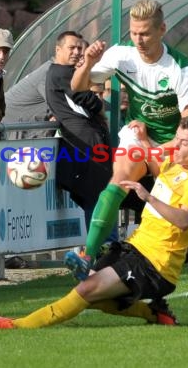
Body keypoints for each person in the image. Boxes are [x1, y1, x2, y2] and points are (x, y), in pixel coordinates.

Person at [0, 116, 188, 329]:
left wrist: (148, 198)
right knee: (91, 295)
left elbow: (187, 220)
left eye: (184, 143)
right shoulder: (177, 161)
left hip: (156, 265)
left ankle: (17, 325)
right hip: (134, 247)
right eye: (176, 138)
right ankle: (153, 313)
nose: (175, 146)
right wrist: (143, 139)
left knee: (87, 290)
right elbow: (159, 168)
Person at [68, 0, 188, 267]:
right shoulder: (122, 54)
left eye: (145, 33)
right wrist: (88, 63)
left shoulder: (181, 68)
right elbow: (77, 86)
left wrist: (154, 147)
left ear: (162, 29)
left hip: (173, 144)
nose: (138, 39)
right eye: (133, 32)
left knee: (181, 215)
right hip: (135, 134)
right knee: (116, 182)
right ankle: (88, 255)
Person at [45, 31, 115, 241]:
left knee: (97, 198)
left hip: (84, 141)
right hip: (86, 145)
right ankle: (106, 246)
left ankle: (105, 246)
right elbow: (87, 99)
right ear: (58, 50)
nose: (76, 52)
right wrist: (98, 101)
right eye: (71, 48)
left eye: (79, 48)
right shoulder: (62, 73)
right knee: (99, 198)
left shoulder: (59, 72)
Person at [2, 59, 55, 139]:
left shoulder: (51, 70)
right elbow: (62, 110)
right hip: (11, 128)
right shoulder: (50, 73)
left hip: (18, 126)